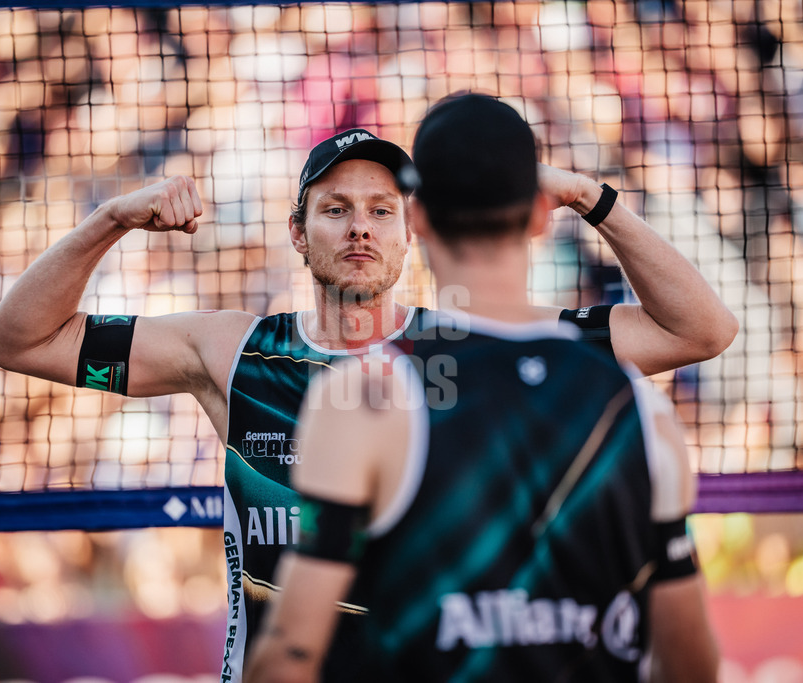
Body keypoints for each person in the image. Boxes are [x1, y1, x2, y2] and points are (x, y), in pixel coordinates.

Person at [0, 122, 735, 679]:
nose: (361, 228)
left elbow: (699, 329)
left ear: (412, 234)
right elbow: (19, 340)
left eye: (381, 210)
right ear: (299, 235)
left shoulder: (477, 346)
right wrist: (111, 220)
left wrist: (593, 200)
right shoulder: (232, 351)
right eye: (336, 209)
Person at [243, 93, 721, 683]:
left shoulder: (364, 398)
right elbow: (692, 666)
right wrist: (589, 196)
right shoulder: (641, 412)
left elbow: (289, 656)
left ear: (417, 221)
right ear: (543, 216)